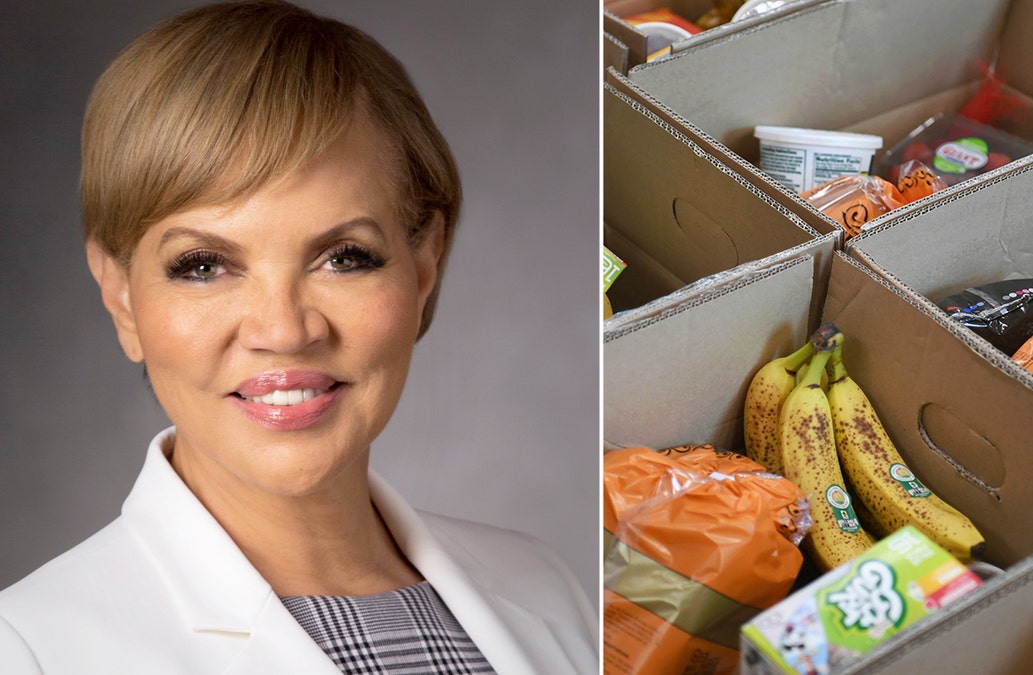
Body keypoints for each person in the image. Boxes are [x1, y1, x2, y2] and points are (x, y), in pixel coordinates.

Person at [0, 2, 598, 673]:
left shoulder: (553, 592)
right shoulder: (29, 648)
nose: (284, 329)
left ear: (424, 264)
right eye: (203, 264)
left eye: (343, 255)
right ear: (121, 296)